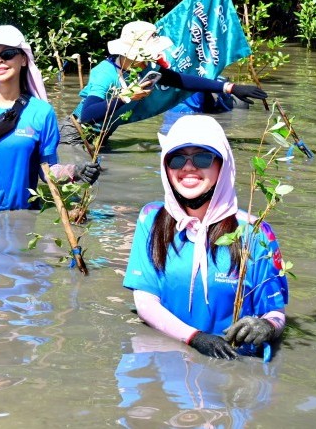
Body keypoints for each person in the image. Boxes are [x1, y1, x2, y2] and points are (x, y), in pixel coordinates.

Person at [123, 114, 288, 359]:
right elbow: (145, 302)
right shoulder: (151, 218)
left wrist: (266, 327)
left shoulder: (255, 232)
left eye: (202, 157)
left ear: (222, 166)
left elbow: (275, 312)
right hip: (168, 355)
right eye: (177, 159)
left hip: (233, 364)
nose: (188, 167)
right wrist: (194, 337)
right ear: (166, 168)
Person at [0, 25, 99, 211]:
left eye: (8, 54)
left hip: (20, 215)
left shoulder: (42, 112)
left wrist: (76, 171)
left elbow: (48, 171)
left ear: (23, 59)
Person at [65, 21, 267, 146]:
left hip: (103, 136)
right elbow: (87, 115)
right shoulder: (105, 73)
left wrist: (230, 88)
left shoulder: (145, 68)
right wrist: (126, 96)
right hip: (76, 134)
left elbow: (180, 80)